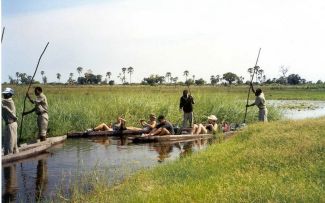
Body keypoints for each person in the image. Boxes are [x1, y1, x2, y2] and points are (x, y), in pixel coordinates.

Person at [2, 87, 19, 155]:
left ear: (9, 95)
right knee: (11, 141)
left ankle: (10, 155)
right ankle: (13, 153)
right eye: (4, 94)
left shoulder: (9, 101)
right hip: (10, 124)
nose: (4, 95)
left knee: (10, 143)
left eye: (6, 94)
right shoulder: (6, 101)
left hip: (11, 124)